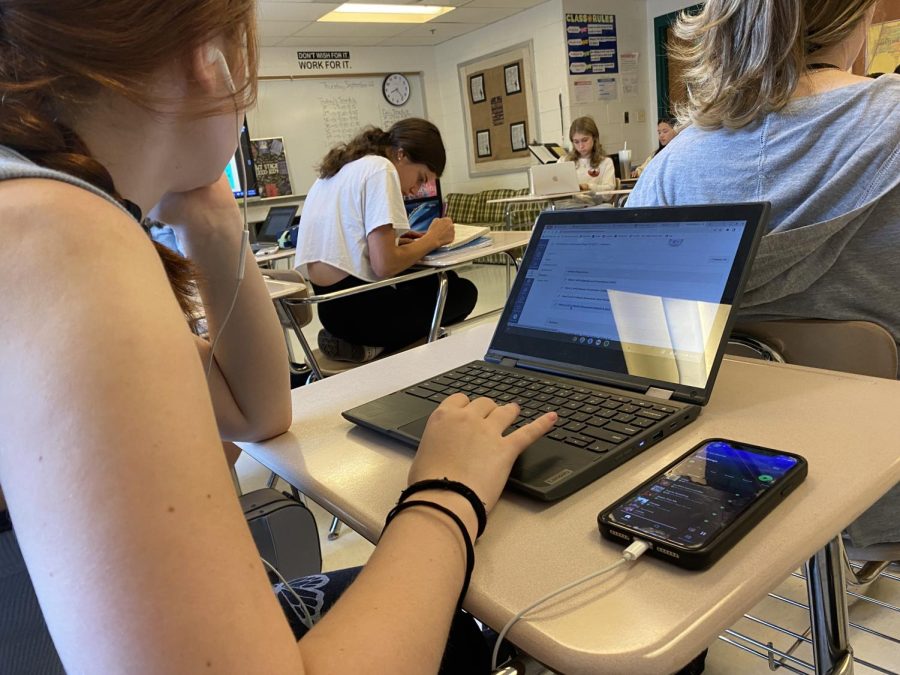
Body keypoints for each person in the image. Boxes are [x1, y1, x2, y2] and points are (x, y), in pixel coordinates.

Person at [0, 2, 557, 673]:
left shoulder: (48, 210)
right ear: (211, 60)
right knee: (469, 633)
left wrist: (209, 214)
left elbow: (256, 411)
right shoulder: (63, 242)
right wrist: (448, 490)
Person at [627, 0, 900, 548]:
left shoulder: (670, 167)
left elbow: (643, 354)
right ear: (858, 16)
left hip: (736, 491)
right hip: (884, 482)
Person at [294, 120, 478, 362]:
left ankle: (363, 344)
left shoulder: (338, 171)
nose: (415, 190)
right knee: (461, 291)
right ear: (401, 155)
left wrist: (399, 243)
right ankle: (377, 348)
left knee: (435, 283)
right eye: (421, 178)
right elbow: (385, 266)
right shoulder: (382, 169)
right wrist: (433, 239)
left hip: (330, 311)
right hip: (366, 315)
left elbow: (348, 246)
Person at [560, 116, 617, 198]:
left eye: (585, 140)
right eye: (576, 142)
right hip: (566, 205)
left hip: (593, 206)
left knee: (607, 207)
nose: (581, 146)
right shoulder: (563, 161)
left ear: (594, 138)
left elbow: (609, 193)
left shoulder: (606, 162)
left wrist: (589, 187)